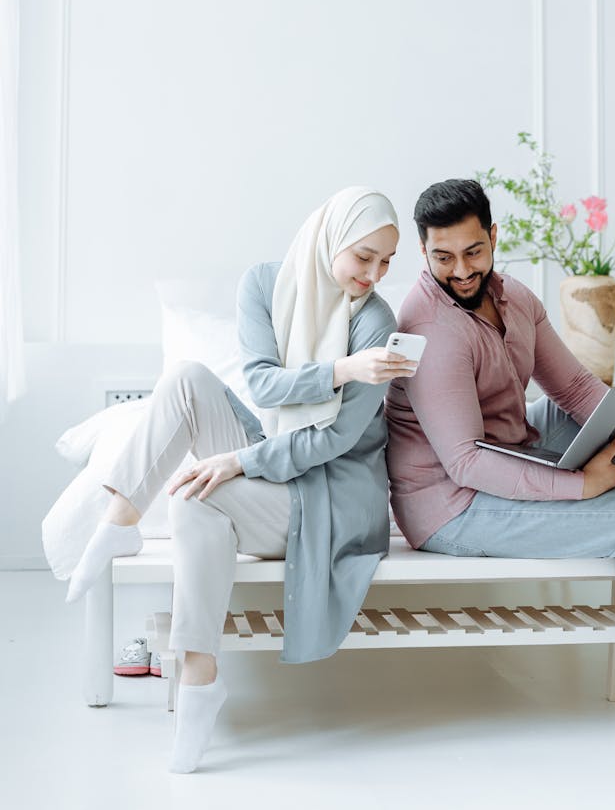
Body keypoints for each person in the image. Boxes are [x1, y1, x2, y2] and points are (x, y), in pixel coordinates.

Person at [385, 178, 615, 749]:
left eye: (473, 251)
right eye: (442, 256)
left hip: (507, 448)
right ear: (422, 252)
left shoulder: (517, 298)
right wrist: (581, 487)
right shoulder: (430, 329)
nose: (460, 270)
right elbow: (464, 463)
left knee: (569, 413)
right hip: (452, 505)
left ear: (493, 237)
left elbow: (578, 388)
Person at [66, 186, 415, 772]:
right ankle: (120, 518)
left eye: (386, 263)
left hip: (330, 491)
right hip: (274, 449)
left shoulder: (376, 322)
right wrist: (340, 369)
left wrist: (239, 462)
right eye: (363, 257)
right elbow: (262, 386)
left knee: (194, 499)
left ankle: (199, 678)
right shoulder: (264, 284)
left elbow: (334, 439)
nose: (373, 275)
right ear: (330, 238)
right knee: (185, 378)